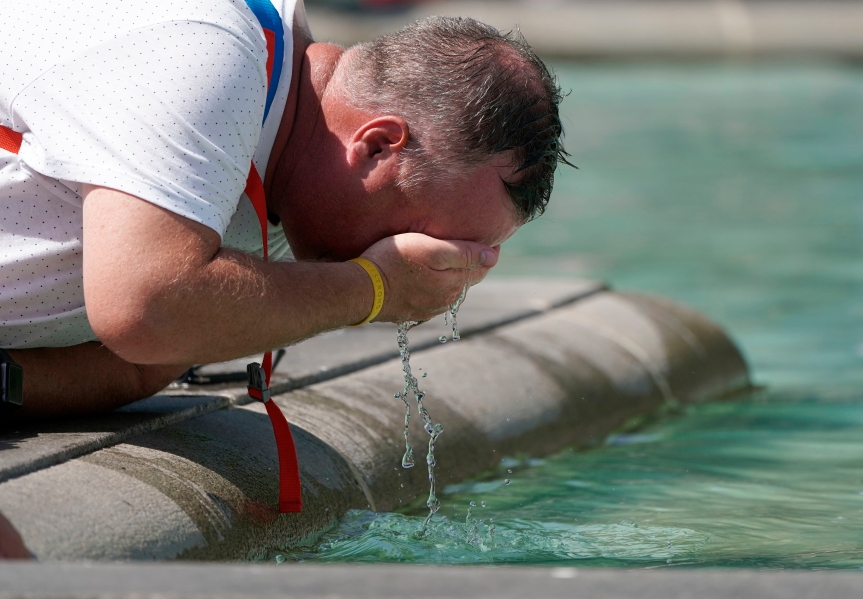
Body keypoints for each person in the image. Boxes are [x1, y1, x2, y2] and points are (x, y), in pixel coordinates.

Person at [0, 0, 568, 419]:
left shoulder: (279, 173)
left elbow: (143, 361)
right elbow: (147, 307)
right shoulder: (206, 50)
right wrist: (374, 288)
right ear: (375, 145)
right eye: (422, 237)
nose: (423, 263)